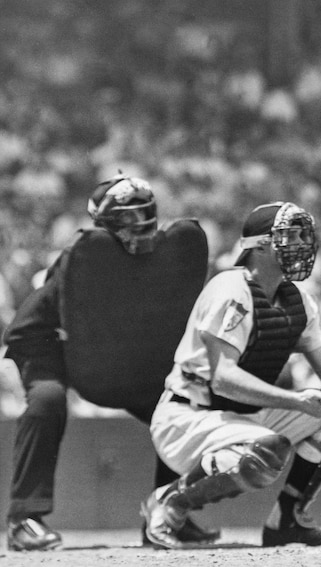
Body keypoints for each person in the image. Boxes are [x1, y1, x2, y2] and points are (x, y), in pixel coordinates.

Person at [4, 174, 217, 551]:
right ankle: (24, 518)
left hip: (124, 355)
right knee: (47, 401)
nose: (136, 227)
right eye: (125, 218)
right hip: (56, 346)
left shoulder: (168, 259)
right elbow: (26, 328)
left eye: (143, 215)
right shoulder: (86, 259)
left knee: (180, 404)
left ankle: (167, 512)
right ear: (103, 224)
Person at [141, 201, 321, 550]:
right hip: (187, 416)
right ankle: (170, 503)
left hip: (243, 415)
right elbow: (224, 378)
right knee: (265, 448)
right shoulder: (229, 289)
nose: (302, 244)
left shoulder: (299, 301)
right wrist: (297, 401)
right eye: (290, 236)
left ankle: (287, 520)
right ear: (259, 244)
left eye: (304, 235)